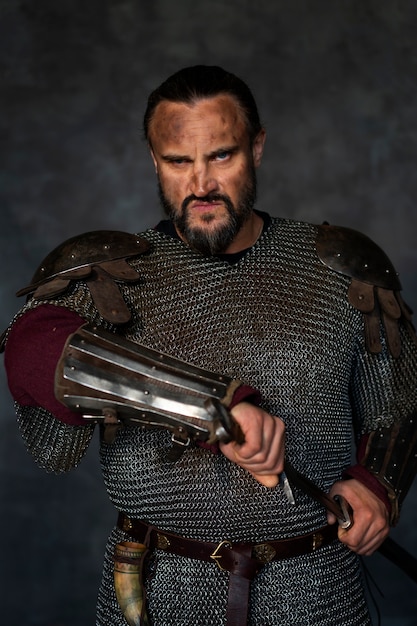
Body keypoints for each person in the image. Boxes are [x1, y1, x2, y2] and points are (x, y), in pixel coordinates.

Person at [2, 65, 417, 626]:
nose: (200, 184)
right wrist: (215, 405)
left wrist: (377, 485)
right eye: (178, 161)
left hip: (313, 588)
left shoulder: (336, 270)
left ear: (257, 148)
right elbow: (29, 351)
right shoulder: (110, 278)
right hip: (160, 587)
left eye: (221, 155)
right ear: (154, 160)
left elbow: (399, 399)